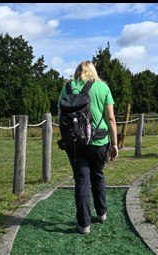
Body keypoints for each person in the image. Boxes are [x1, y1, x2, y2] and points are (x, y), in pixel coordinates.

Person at [57, 61, 118, 234]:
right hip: (99, 141)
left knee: (81, 180)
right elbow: (111, 119)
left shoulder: (67, 88)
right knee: (97, 175)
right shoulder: (103, 88)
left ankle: (84, 225)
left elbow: (60, 116)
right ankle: (101, 213)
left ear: (78, 71)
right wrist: (114, 144)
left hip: (75, 143)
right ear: (93, 71)